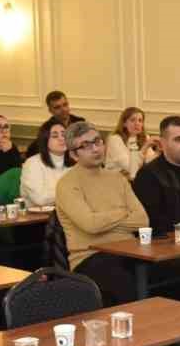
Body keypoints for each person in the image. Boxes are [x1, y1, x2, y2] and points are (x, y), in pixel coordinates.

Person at [53, 121, 149, 306]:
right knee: (124, 281)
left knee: (178, 271)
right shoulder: (67, 184)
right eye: (86, 146)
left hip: (130, 251)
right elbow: (91, 225)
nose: (95, 149)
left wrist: (104, 216)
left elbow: (142, 220)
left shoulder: (117, 177)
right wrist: (122, 212)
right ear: (73, 154)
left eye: (97, 141)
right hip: (90, 258)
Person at [20, 117, 71, 208]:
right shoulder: (33, 163)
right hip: (37, 219)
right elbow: (40, 199)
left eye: (64, 135)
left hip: (66, 214)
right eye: (55, 136)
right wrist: (71, 192)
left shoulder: (75, 162)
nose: (61, 139)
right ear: (45, 140)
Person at [24, 92, 85, 158]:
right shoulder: (48, 128)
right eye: (57, 107)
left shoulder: (80, 123)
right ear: (50, 110)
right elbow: (31, 151)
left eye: (65, 104)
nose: (63, 109)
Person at [105, 106, 159, 180]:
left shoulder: (145, 137)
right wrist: (145, 147)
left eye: (140, 120)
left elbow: (150, 162)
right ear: (124, 123)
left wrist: (158, 152)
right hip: (115, 180)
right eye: (132, 120)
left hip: (135, 179)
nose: (137, 124)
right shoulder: (115, 139)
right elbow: (131, 168)